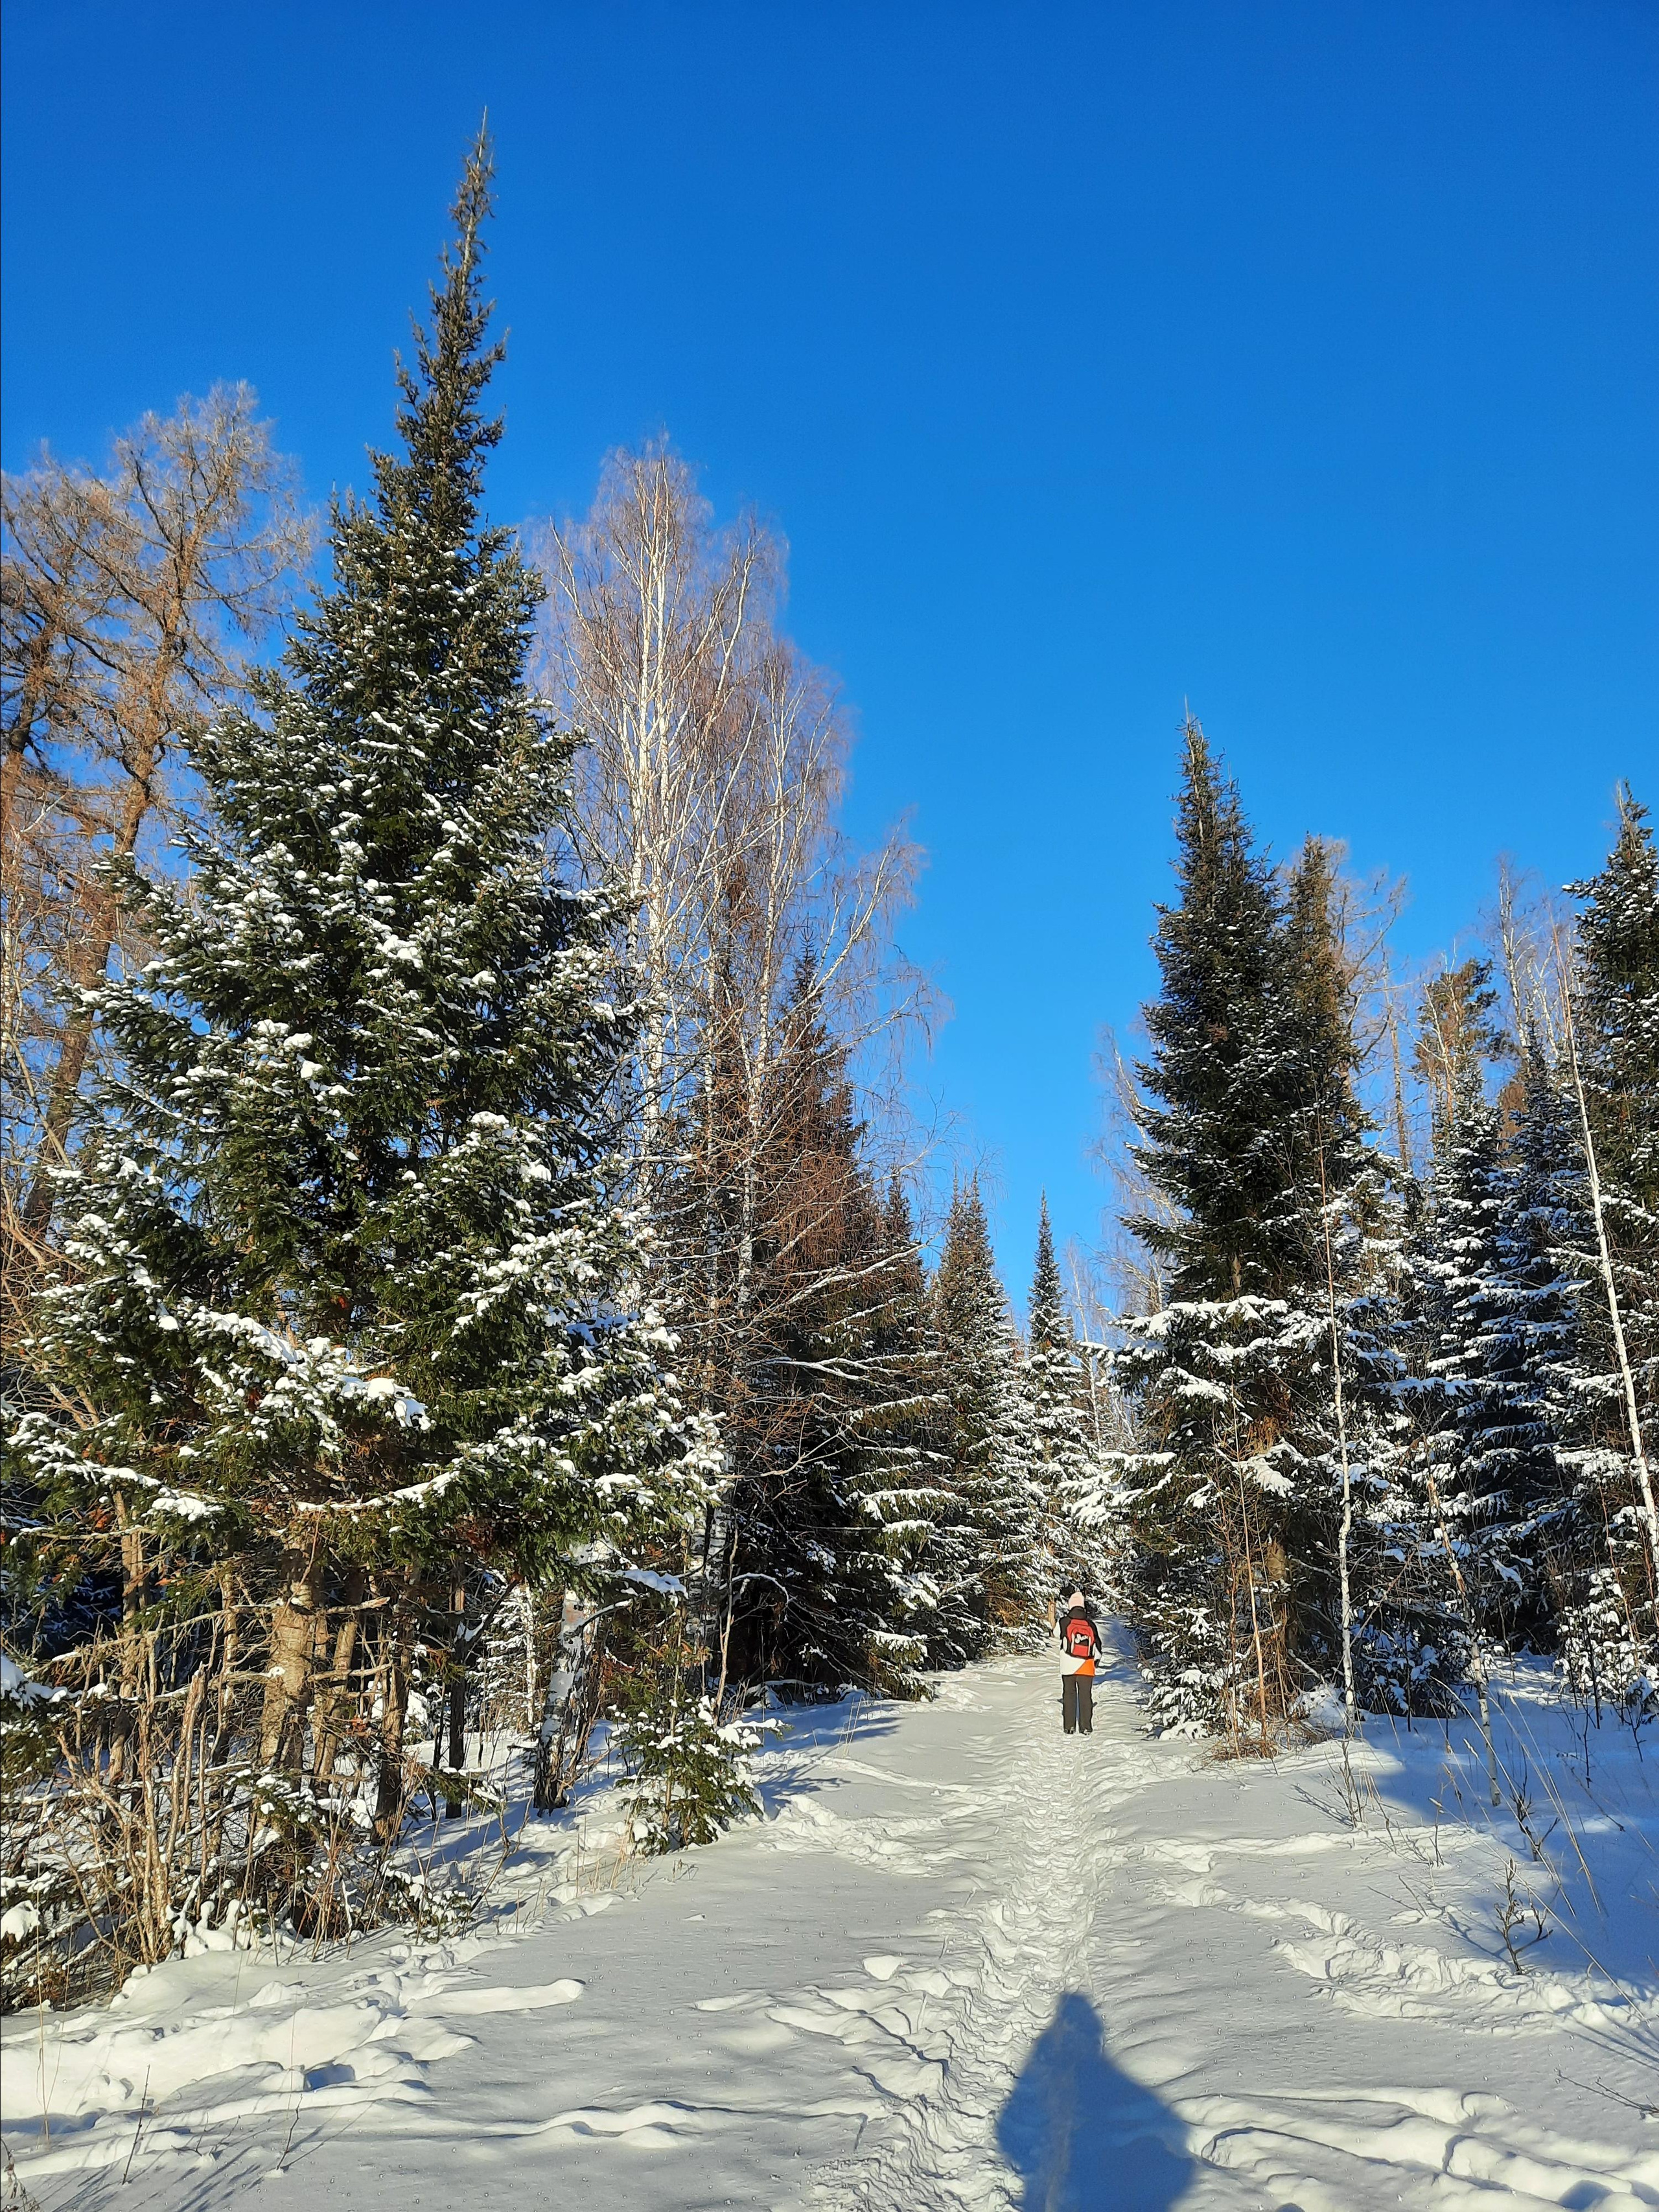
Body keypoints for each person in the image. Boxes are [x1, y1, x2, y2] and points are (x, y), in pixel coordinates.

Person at [1058, 1586, 1100, 1735]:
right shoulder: (1091, 1624)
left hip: (1068, 1665)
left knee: (1069, 1694)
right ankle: (1086, 1727)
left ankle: (1069, 1727)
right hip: (1086, 1665)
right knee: (1085, 1696)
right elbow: (1098, 1648)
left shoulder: (1064, 1621)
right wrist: (1095, 1663)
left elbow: (1056, 1634)